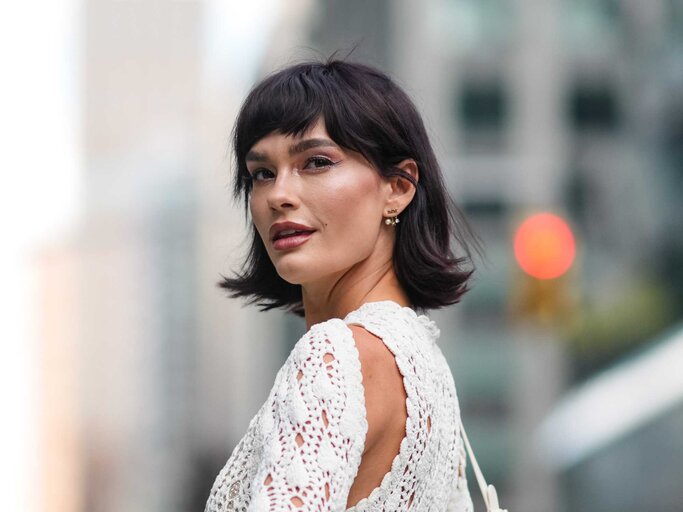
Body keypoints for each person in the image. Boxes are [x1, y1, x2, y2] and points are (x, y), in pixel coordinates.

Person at [205, 58, 481, 511]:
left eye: (316, 162)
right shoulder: (424, 367)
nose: (279, 195)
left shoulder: (333, 355)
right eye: (262, 173)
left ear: (398, 186)